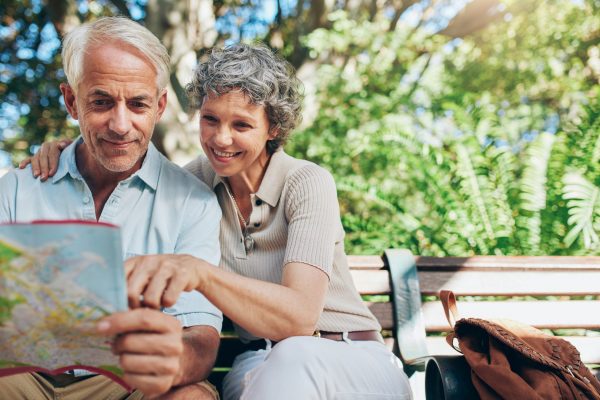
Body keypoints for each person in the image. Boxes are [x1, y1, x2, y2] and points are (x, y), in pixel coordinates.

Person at [23, 43, 414, 399]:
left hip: (349, 356)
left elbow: (299, 318)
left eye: (241, 125)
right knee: (262, 373)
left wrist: (200, 273)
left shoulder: (306, 182)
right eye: (210, 119)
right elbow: (129, 172)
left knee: (294, 358)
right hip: (260, 362)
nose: (221, 139)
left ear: (273, 128)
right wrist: (65, 152)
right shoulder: (192, 186)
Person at [0, 17, 223, 400]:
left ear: (160, 105)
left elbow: (199, 336)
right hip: (21, 378)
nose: (121, 125)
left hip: (127, 382)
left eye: (137, 104)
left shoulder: (193, 202)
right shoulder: (18, 189)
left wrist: (171, 360)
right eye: (101, 102)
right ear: (72, 102)